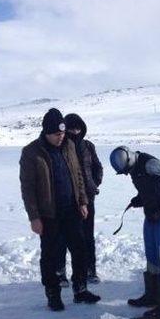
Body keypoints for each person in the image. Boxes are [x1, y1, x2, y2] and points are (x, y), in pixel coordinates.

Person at [19, 108, 101, 311]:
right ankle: (53, 294)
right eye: (57, 134)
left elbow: (79, 176)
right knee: (51, 256)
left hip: (72, 210)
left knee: (80, 250)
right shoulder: (31, 152)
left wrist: (82, 201)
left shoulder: (70, 146)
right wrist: (34, 217)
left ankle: (80, 290)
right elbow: (27, 188)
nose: (61, 137)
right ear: (46, 132)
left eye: (63, 133)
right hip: (49, 215)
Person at [110, 146, 160, 315]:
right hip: (151, 215)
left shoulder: (151, 164)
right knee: (151, 256)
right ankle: (152, 296)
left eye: (127, 170)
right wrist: (141, 198)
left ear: (129, 159)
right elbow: (150, 186)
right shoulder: (134, 166)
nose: (128, 174)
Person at [55, 113, 103, 286]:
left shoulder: (88, 146)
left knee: (87, 236)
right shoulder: (61, 147)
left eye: (78, 128)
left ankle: (90, 270)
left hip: (88, 198)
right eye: (71, 128)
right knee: (62, 237)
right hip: (67, 200)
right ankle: (60, 273)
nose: (75, 131)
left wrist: (93, 183)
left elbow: (97, 167)